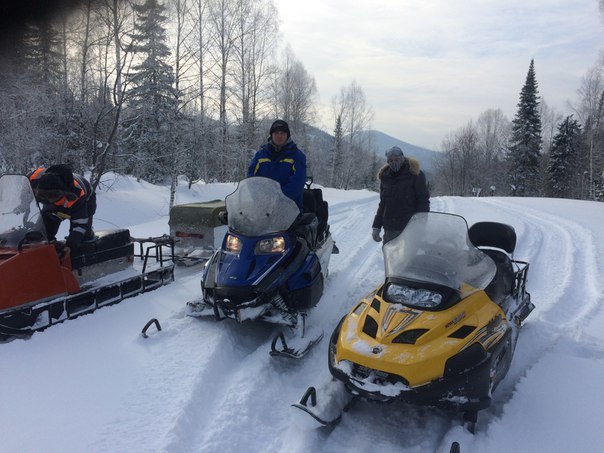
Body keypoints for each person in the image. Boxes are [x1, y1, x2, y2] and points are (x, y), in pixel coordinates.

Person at [29, 164, 97, 251]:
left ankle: (86, 239)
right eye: (43, 195)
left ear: (63, 193)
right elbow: (24, 190)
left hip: (87, 199)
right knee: (48, 223)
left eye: (52, 195)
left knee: (83, 234)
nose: (49, 200)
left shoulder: (77, 197)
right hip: (58, 201)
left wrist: (70, 245)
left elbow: (80, 223)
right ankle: (50, 244)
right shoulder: (34, 179)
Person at [372, 146, 430, 244]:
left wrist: (420, 223)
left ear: (402, 158)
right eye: (390, 160)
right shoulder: (385, 176)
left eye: (396, 159)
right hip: (390, 228)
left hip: (410, 226)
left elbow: (423, 201)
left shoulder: (415, 174)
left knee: (409, 257)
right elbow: (383, 204)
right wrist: (376, 226)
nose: (393, 162)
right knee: (391, 257)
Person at [247, 120, 307, 211]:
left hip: (290, 208)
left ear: (287, 135)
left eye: (282, 133)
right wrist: (259, 196)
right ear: (271, 135)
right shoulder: (261, 155)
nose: (279, 136)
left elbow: (297, 183)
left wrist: (278, 199)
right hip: (263, 207)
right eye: (276, 133)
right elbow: (251, 178)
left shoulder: (297, 156)